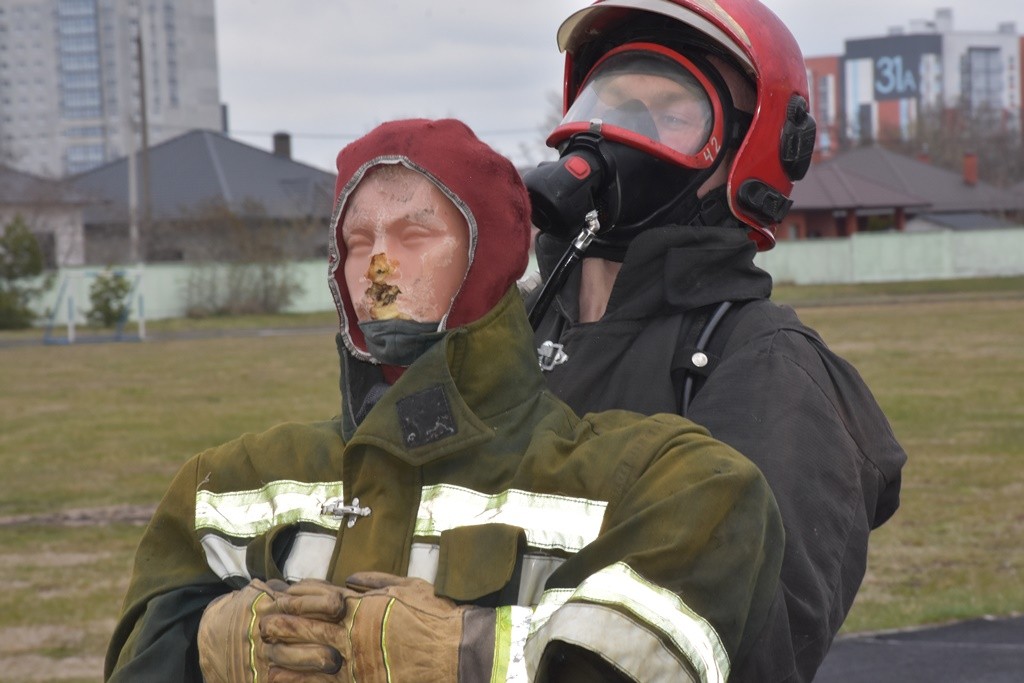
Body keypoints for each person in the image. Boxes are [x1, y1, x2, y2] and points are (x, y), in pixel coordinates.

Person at [104, 118, 785, 682]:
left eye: (414, 235)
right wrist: (200, 641)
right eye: (357, 240)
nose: (378, 266)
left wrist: (476, 653)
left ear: (490, 256)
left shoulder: (662, 482)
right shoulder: (227, 486)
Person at [522, 1, 908, 681]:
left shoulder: (772, 370)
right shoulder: (505, 337)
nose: (623, 131)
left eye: (671, 113)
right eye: (612, 100)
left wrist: (464, 644)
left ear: (750, 151)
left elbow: (738, 645)